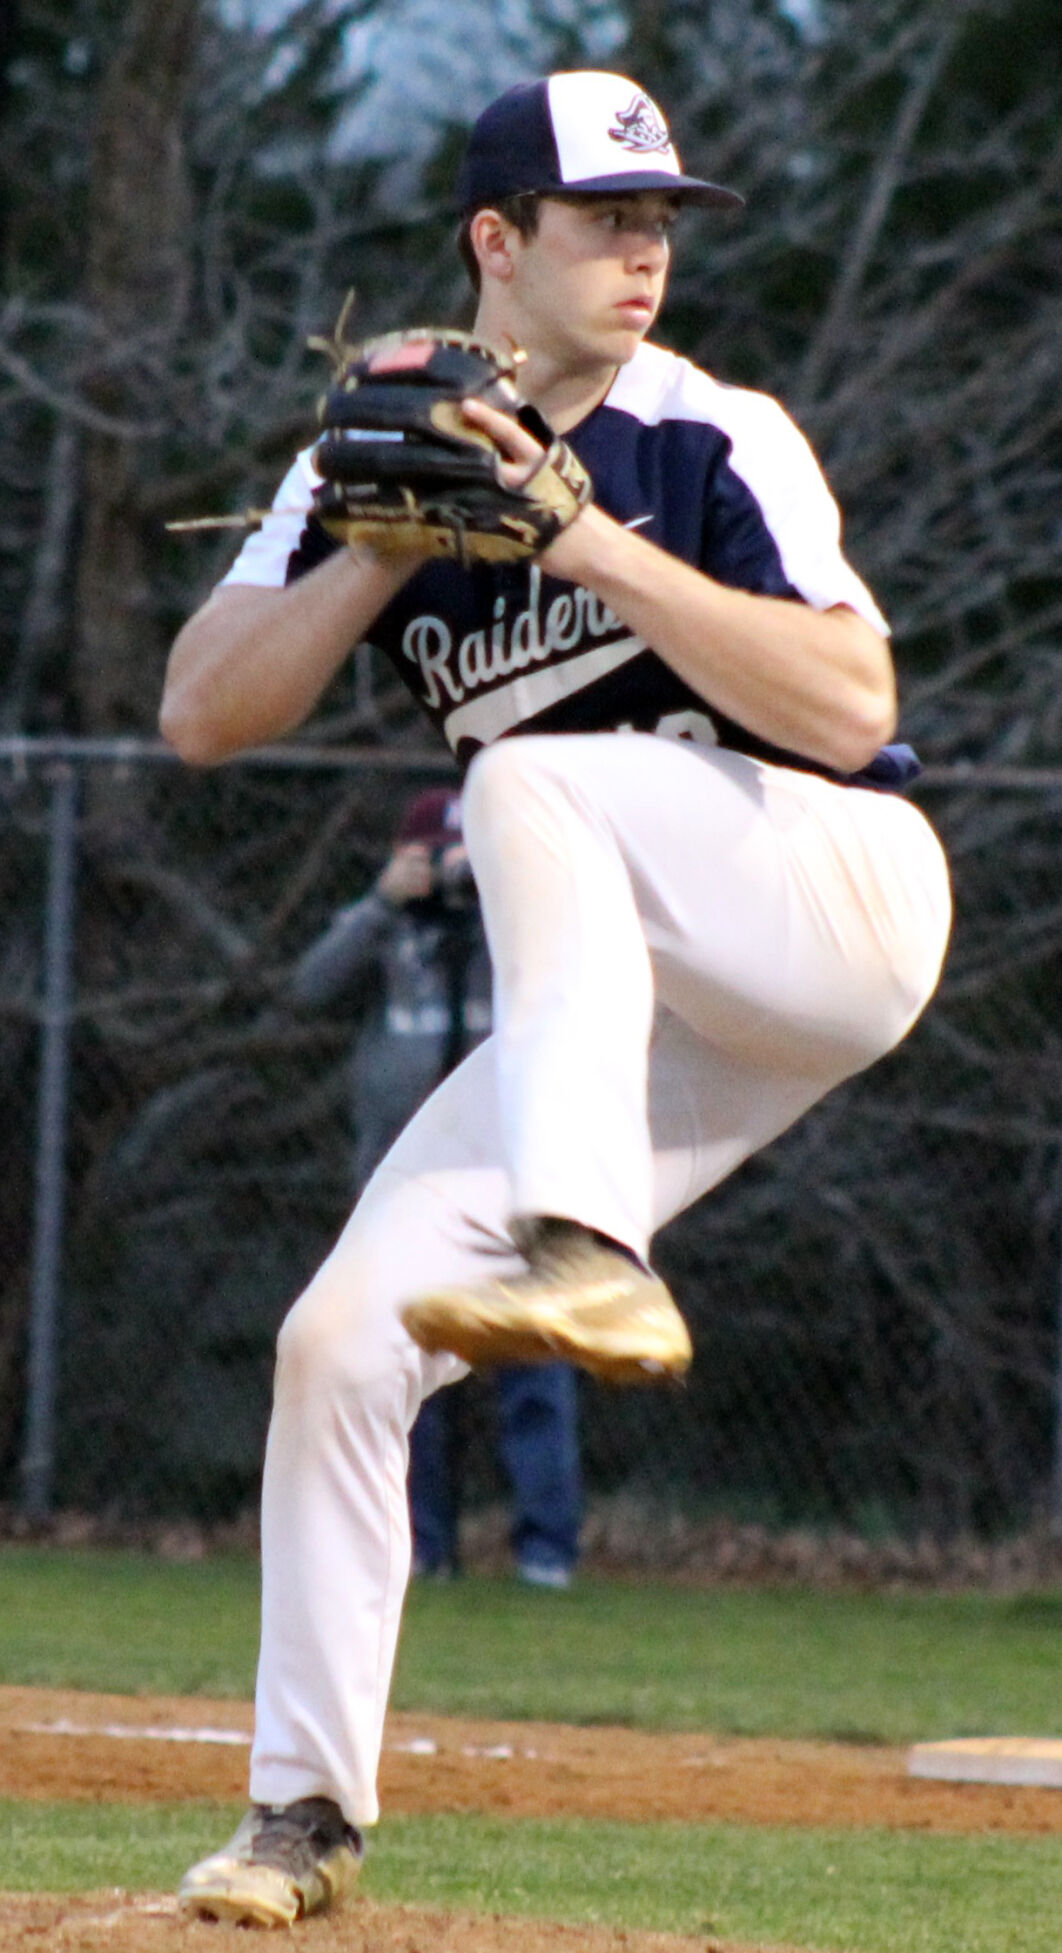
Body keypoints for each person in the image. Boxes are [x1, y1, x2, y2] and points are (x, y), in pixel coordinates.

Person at [160, 68, 952, 1928]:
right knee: (340, 1342)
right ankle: (301, 1821)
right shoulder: (374, 458)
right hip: (630, 1015)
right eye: (604, 220)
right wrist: (377, 539)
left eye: (660, 218)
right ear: (493, 245)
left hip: (826, 902)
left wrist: (579, 536)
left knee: (525, 776)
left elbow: (851, 710)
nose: (646, 251)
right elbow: (203, 713)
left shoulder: (709, 433)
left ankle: (580, 1239)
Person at [291, 785, 582, 1587]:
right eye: (432, 856)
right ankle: (419, 1544)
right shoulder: (387, 933)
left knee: (534, 1366)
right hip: (404, 1186)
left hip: (515, 1181)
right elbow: (309, 986)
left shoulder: (518, 931)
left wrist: (498, 891)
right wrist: (385, 905)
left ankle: (545, 1554)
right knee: (400, 1370)